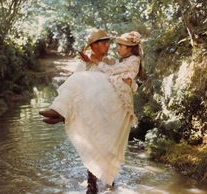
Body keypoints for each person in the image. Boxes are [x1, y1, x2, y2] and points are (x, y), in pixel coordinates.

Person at [39, 31, 142, 194]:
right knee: (92, 140)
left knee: (107, 141)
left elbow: (121, 78)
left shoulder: (111, 61)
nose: (108, 46)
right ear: (94, 46)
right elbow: (77, 87)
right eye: (103, 43)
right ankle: (92, 183)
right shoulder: (84, 63)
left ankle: (109, 176)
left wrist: (100, 64)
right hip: (92, 107)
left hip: (107, 107)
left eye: (108, 43)